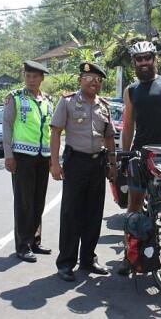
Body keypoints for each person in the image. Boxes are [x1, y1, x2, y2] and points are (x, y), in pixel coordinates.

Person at [117, 41, 161, 275]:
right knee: (134, 207)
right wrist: (123, 157)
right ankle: (131, 258)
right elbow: (127, 126)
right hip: (139, 153)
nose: (144, 62)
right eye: (139, 59)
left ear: (155, 58)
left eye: (148, 57)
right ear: (134, 62)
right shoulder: (131, 90)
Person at [50, 62, 116, 282]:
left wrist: (113, 164)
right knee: (71, 213)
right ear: (80, 80)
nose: (94, 83)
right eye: (89, 79)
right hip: (75, 162)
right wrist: (55, 164)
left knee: (94, 213)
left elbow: (109, 137)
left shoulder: (104, 106)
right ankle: (66, 262)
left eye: (98, 80)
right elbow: (56, 132)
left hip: (98, 164)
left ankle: (88, 258)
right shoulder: (67, 102)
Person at [3, 60, 53, 263]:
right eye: (28, 76)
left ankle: (35, 241)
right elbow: (7, 125)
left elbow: (50, 130)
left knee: (38, 201)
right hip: (22, 157)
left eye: (35, 77)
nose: (31, 80)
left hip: (43, 156)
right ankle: (22, 246)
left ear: (42, 78)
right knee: (24, 203)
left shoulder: (48, 100)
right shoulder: (14, 97)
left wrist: (53, 158)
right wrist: (8, 155)